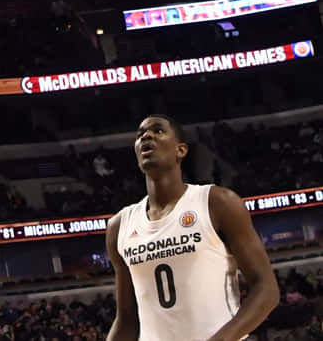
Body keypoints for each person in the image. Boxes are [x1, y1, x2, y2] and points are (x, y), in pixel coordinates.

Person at [106, 114, 279, 340]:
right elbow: (127, 320)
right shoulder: (119, 225)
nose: (146, 136)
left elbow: (266, 290)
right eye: (140, 135)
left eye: (158, 131)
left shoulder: (218, 202)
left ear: (181, 150)